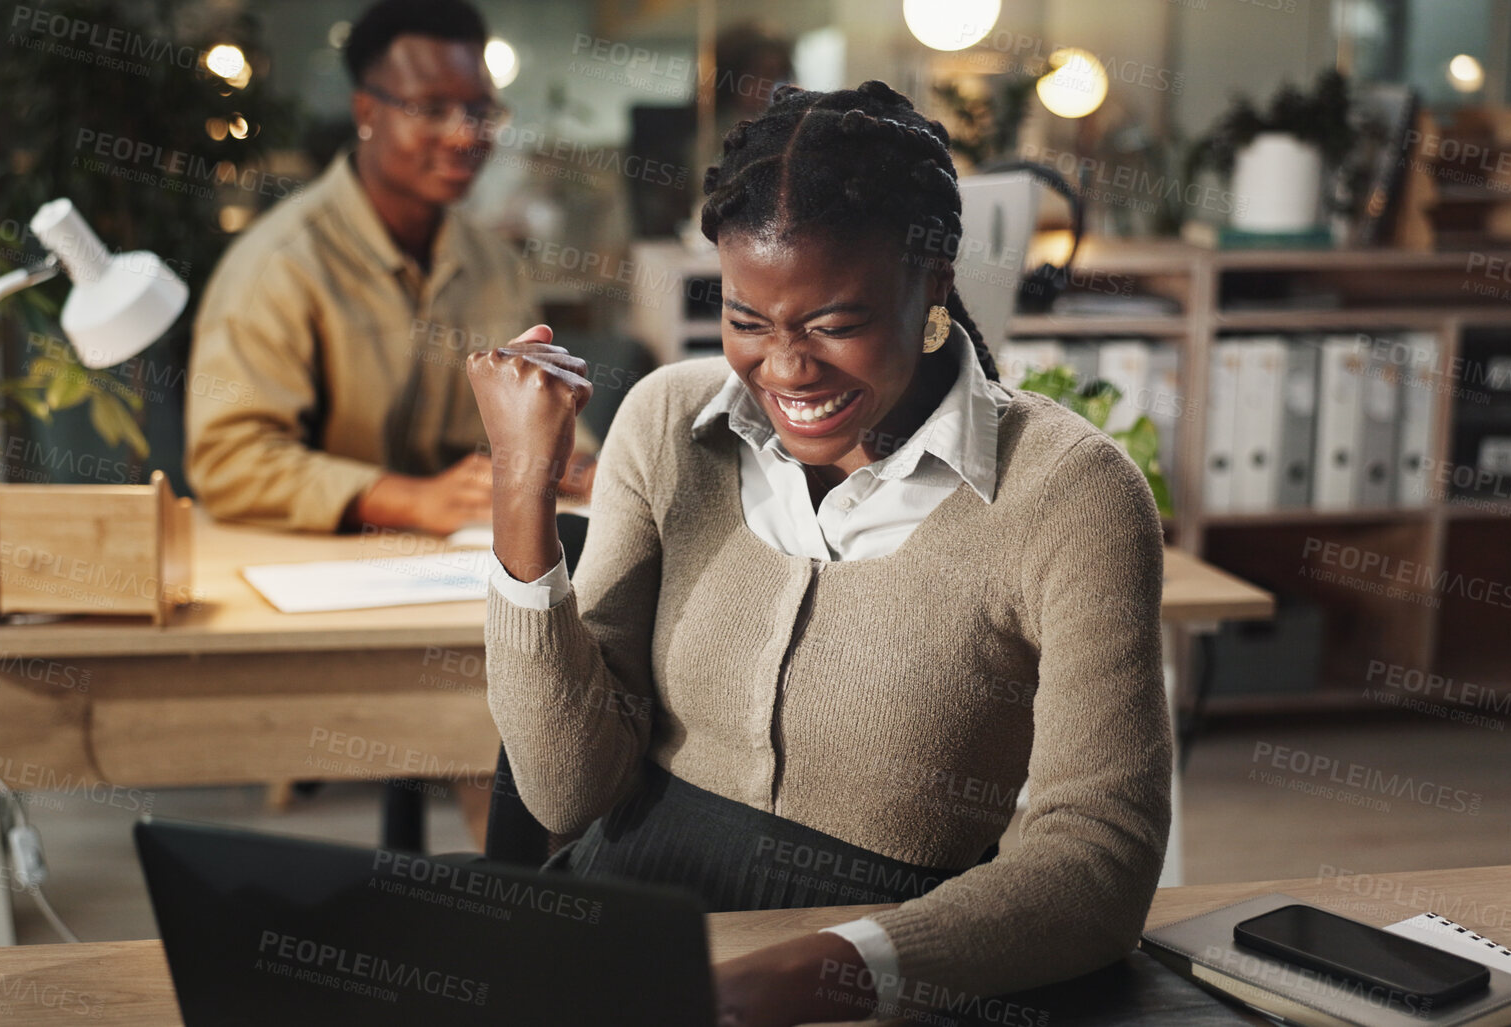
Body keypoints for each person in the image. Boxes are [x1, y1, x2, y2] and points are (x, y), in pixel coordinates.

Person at [468, 81, 1171, 1025]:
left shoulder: (1070, 495)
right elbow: (564, 791)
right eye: (747, 322)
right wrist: (523, 488)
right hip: (621, 946)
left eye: (834, 325)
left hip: (869, 988)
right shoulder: (668, 422)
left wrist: (800, 975)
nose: (786, 371)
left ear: (933, 281)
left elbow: (1099, 863)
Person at [185, 0, 593, 535]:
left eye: (480, 110)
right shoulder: (280, 263)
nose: (464, 134)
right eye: (431, 108)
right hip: (308, 570)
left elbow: (535, 417)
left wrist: (582, 469)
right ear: (365, 112)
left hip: (467, 566)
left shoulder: (491, 262)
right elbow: (229, 460)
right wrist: (407, 500)